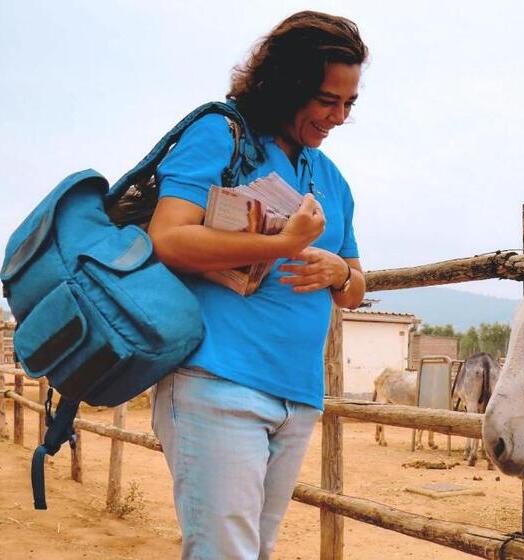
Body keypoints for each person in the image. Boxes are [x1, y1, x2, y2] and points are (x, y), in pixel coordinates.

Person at [147, 11, 367, 559]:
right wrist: (280, 246)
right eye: (326, 100)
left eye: (349, 104)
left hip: (296, 395)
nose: (338, 116)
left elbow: (355, 285)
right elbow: (168, 239)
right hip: (217, 380)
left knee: (257, 551)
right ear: (288, 84)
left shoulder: (331, 178)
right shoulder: (221, 136)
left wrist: (339, 272)